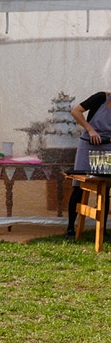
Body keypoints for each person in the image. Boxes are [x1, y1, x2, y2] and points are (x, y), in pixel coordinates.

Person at [66, 90, 111, 238]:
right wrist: (90, 130)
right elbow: (76, 111)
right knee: (78, 187)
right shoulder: (100, 98)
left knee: (105, 188)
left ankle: (102, 230)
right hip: (88, 146)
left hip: (106, 148)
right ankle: (70, 228)